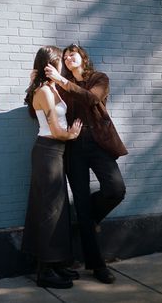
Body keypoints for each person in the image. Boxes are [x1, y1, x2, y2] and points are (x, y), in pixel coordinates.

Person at [45, 43, 128, 284]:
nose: (69, 57)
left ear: (83, 58)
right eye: (65, 56)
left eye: (73, 54)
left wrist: (61, 80)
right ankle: (97, 265)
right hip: (73, 146)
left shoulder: (98, 78)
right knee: (80, 201)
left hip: (99, 142)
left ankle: (87, 219)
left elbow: (92, 98)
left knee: (116, 189)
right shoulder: (61, 86)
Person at [23, 46, 82, 289]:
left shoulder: (52, 88)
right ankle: (44, 272)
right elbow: (56, 131)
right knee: (49, 211)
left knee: (58, 210)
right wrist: (72, 135)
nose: (63, 66)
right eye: (59, 62)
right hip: (48, 153)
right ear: (51, 64)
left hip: (55, 153)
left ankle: (56, 263)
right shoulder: (45, 92)